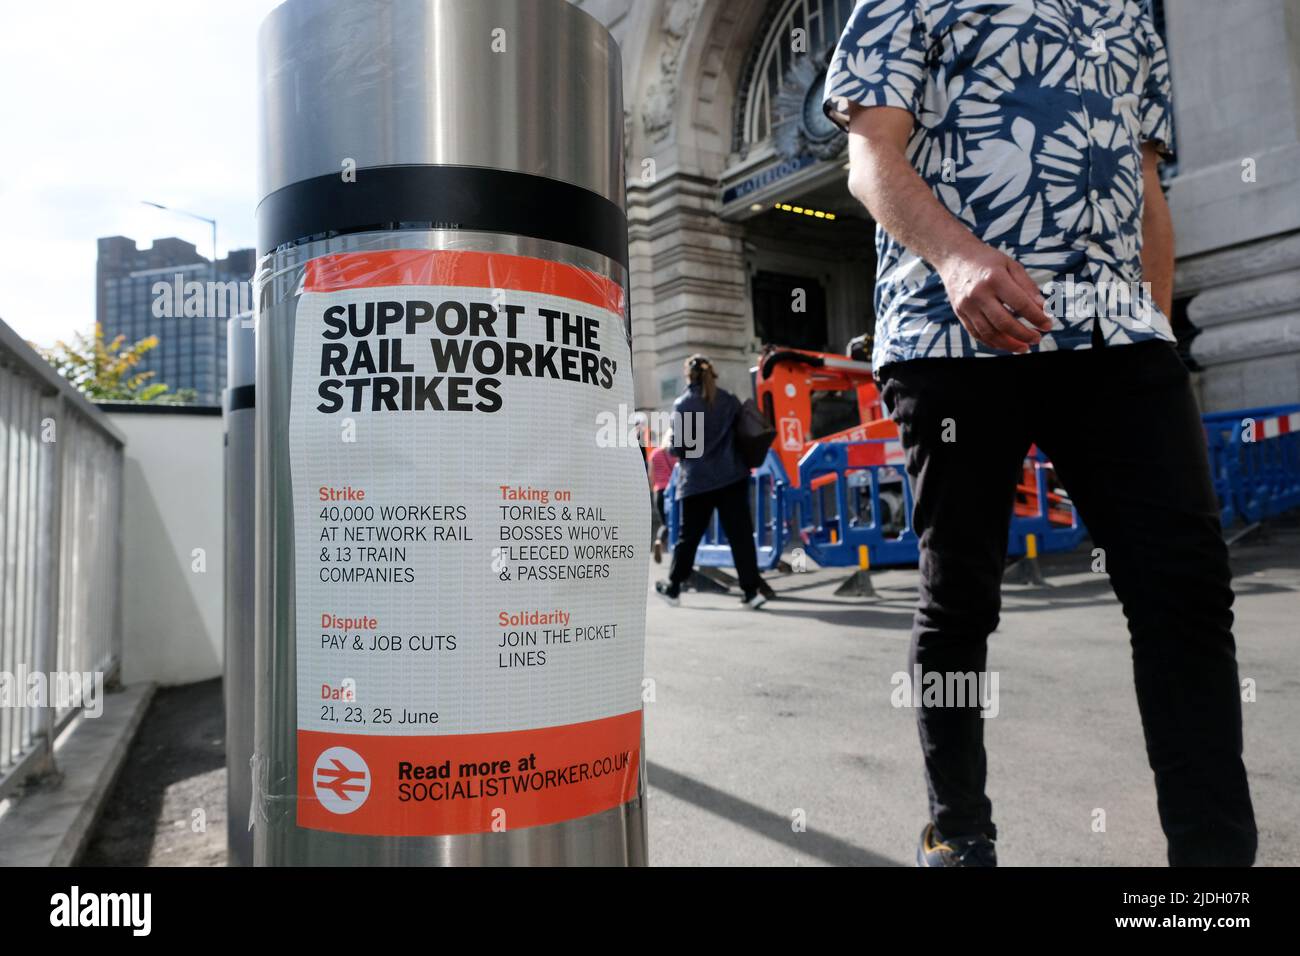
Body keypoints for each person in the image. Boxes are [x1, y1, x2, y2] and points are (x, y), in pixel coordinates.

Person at [824, 0, 1255, 866]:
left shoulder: (1131, 17)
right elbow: (871, 160)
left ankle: (1211, 881)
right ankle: (959, 830)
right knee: (961, 598)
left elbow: (1146, 191)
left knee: (1186, 591)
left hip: (1116, 341)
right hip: (952, 338)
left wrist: (1157, 331)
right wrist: (956, 257)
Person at [655, 355, 767, 610]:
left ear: (688, 376)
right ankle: (752, 592)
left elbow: (682, 448)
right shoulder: (728, 399)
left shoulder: (684, 404)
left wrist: (672, 445)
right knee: (740, 536)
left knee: (688, 538)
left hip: (698, 481)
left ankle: (673, 588)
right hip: (732, 477)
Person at [648, 434, 677, 563]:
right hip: (672, 492)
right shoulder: (675, 455)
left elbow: (650, 475)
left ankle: (659, 540)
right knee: (674, 523)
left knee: (664, 522)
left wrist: (652, 488)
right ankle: (674, 552)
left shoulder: (654, 454)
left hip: (658, 491)